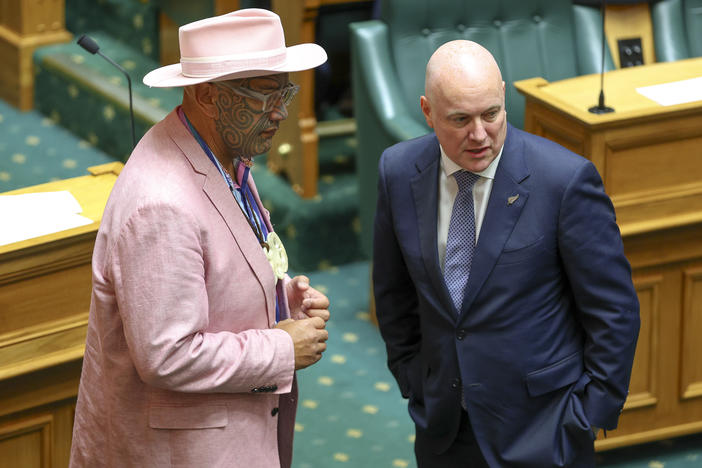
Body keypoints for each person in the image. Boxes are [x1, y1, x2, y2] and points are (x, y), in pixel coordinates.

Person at [70, 9, 330, 468]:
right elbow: (167, 354)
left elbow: (210, 275)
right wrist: (282, 347)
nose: (282, 111)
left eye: (285, 91)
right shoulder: (161, 205)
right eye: (265, 95)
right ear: (209, 95)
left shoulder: (223, 153)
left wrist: (283, 301)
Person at [372, 40, 640, 468]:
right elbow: (393, 294)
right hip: (445, 429)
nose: (479, 134)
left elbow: (615, 311)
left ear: (502, 97)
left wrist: (588, 415)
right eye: (460, 119)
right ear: (427, 111)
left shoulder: (564, 180)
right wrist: (415, 380)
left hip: (545, 431)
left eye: (491, 113)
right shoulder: (399, 171)